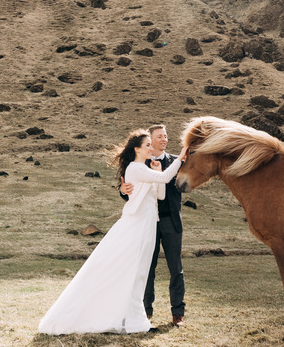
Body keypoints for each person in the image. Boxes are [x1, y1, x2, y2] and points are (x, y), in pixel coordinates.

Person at [38, 129, 187, 335]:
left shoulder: (146, 168)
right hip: (137, 224)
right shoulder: (135, 168)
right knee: (134, 270)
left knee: (141, 272)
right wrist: (181, 157)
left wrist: (159, 168)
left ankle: (136, 320)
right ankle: (132, 319)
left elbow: (160, 194)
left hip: (149, 224)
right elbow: (163, 179)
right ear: (137, 149)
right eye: (147, 145)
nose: (151, 148)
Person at [120, 124, 186, 327]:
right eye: (159, 137)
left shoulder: (174, 161)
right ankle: (145, 311)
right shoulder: (138, 163)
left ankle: (178, 313)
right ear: (149, 141)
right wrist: (123, 189)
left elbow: (175, 188)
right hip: (147, 221)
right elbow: (128, 190)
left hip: (170, 220)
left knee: (176, 267)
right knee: (147, 268)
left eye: (166, 136)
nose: (164, 139)